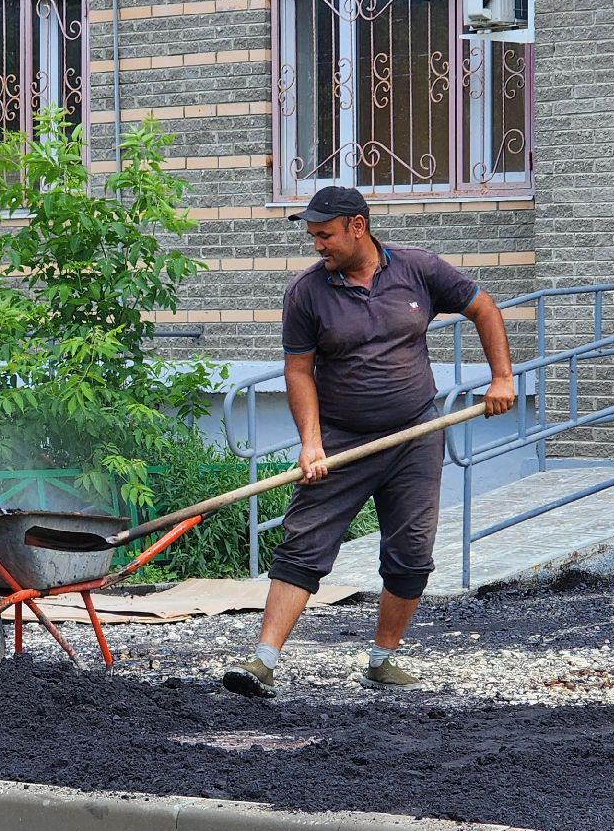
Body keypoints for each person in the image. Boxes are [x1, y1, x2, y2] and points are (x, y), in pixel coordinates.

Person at [221, 186, 516, 698]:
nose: (317, 245)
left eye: (324, 235)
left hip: (414, 436)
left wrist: (502, 378)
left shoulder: (418, 270)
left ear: (358, 226)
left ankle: (382, 659)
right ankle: (263, 661)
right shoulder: (307, 293)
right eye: (312, 236)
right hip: (342, 438)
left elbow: (484, 307)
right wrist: (311, 443)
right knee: (304, 543)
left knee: (411, 553)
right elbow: (299, 372)